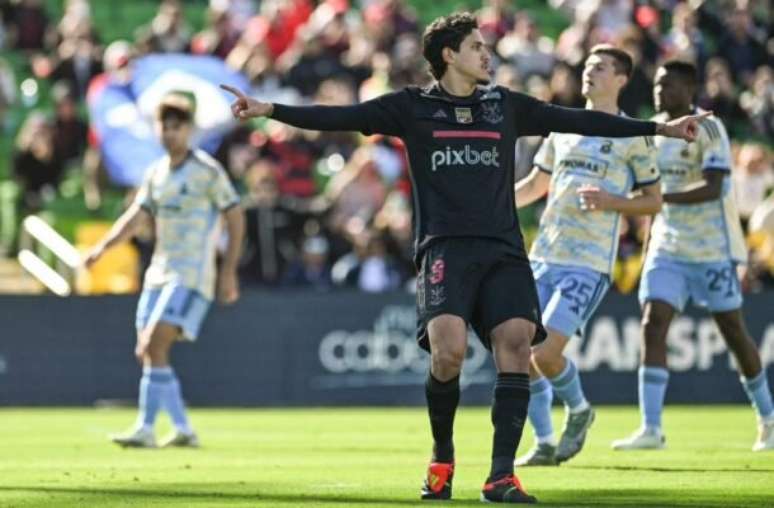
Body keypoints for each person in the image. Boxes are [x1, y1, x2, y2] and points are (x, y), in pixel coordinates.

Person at [222, 13, 708, 503]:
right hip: (445, 250)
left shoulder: (505, 106)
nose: (487, 53)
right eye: (477, 46)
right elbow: (340, 116)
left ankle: (501, 476)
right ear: (449, 56)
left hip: (503, 249)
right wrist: (269, 109)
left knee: (516, 344)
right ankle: (442, 457)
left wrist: (660, 129)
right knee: (448, 351)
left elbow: (578, 118)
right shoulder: (411, 108)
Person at [611, 61, 774, 452]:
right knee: (653, 323)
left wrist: (657, 199)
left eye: (668, 83)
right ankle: (651, 428)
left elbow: (713, 187)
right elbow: (648, 191)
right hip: (667, 246)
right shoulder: (652, 131)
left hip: (713, 248)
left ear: (690, 88)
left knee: (733, 331)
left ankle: (768, 419)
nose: (659, 89)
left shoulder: (709, 127)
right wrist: (648, 233)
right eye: (657, 82)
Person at [513, 45, 662, 466]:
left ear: (621, 79)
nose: (589, 72)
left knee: (544, 354)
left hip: (589, 262)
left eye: (600, 67)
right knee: (519, 354)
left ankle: (579, 411)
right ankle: (543, 442)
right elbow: (534, 186)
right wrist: (493, 203)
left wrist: (614, 200)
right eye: (587, 65)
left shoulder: (632, 134)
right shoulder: (561, 128)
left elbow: (654, 202)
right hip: (544, 256)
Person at [84, 92, 245, 448]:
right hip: (158, 272)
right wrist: (101, 248)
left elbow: (235, 215)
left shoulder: (206, 171)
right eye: (165, 126)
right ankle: (183, 429)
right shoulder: (156, 173)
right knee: (149, 352)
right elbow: (134, 219)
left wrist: (228, 270)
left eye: (177, 127)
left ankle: (145, 428)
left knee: (152, 344)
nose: (170, 133)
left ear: (188, 130)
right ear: (157, 129)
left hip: (191, 273)